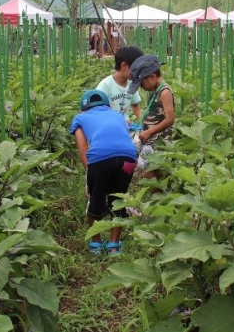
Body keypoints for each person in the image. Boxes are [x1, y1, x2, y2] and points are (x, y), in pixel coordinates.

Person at [69, 89, 137, 256]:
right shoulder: (118, 116)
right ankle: (114, 245)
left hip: (100, 157)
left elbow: (82, 146)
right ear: (107, 105)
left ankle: (96, 243)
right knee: (118, 199)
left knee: (96, 198)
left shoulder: (80, 118)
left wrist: (89, 171)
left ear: (83, 108)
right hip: (128, 157)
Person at [127, 55, 175, 180]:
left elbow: (170, 119)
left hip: (159, 140)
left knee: (150, 172)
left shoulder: (164, 92)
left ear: (152, 77)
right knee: (147, 170)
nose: (142, 87)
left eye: (142, 83)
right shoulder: (155, 90)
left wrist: (150, 131)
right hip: (150, 138)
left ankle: (157, 197)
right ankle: (155, 196)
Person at [96, 45, 144, 121]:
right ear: (124, 66)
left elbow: (135, 105)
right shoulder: (105, 86)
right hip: (110, 127)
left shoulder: (131, 84)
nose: (138, 73)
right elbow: (97, 112)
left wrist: (143, 122)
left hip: (126, 128)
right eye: (136, 69)